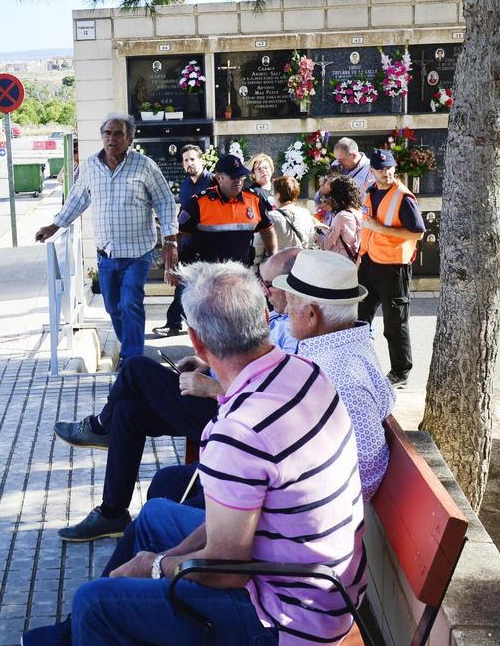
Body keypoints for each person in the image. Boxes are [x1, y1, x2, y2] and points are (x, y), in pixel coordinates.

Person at [23, 261, 367, 646]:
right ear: (263, 317)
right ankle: (75, 635)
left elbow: (228, 570)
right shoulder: (304, 372)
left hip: (288, 617)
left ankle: (88, 625)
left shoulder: (237, 431)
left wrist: (155, 566)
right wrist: (165, 559)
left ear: (196, 340)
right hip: (322, 586)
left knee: (95, 603)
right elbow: (232, 531)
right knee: (153, 517)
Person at [52, 248, 302, 542]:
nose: (263, 289)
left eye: (269, 284)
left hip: (230, 417)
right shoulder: (278, 316)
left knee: (136, 368)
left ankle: (99, 428)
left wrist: (211, 387)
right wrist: (207, 364)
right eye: (262, 281)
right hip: (216, 400)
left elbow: (274, 394)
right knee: (128, 412)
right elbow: (248, 358)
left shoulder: (296, 332)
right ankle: (112, 512)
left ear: (290, 284)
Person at [146, 249, 394, 511]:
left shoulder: (338, 373)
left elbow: (363, 476)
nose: (285, 309)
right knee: (167, 484)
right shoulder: (341, 349)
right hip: (280, 482)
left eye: (292, 302)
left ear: (311, 315)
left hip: (293, 509)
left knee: (157, 514)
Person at [36, 113, 178, 367]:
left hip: (137, 252)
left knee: (130, 302)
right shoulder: (90, 166)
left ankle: (132, 358)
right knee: (113, 308)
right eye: (107, 133)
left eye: (118, 133)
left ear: (130, 139)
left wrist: (171, 239)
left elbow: (165, 201)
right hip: (106, 254)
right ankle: (130, 347)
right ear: (102, 137)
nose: (112, 138)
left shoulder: (144, 166)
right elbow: (78, 199)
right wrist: (54, 226)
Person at [358, 148, 425, 389]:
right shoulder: (370, 192)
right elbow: (367, 228)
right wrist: (360, 257)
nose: (386, 173)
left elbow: (417, 233)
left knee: (395, 324)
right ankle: (359, 366)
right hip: (369, 263)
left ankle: (400, 372)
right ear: (372, 170)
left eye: (389, 168)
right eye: (381, 169)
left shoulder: (403, 197)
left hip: (393, 268)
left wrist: (382, 229)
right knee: (360, 320)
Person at [154, 144, 213, 338]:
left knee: (188, 284)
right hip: (188, 242)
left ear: (201, 160)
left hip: (208, 242)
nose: (189, 163)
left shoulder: (212, 182)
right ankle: (176, 323)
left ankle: (176, 323)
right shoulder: (186, 185)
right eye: (186, 160)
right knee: (184, 282)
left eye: (193, 159)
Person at [178, 153, 276, 269]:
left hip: (242, 273)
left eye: (241, 176)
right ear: (219, 178)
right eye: (233, 177)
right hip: (208, 275)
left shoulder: (254, 200)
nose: (238, 181)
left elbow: (267, 230)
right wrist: (179, 268)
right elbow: (181, 235)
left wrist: (272, 259)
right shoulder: (198, 202)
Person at [318, 174, 364, 263]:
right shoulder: (359, 212)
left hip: (341, 264)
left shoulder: (341, 216)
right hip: (355, 262)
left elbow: (327, 244)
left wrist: (315, 236)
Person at [267, 175, 319, 249]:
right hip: (300, 258)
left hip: (278, 259)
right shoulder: (305, 213)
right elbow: (311, 240)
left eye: (273, 193)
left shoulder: (270, 217)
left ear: (278, 196)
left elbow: (259, 245)